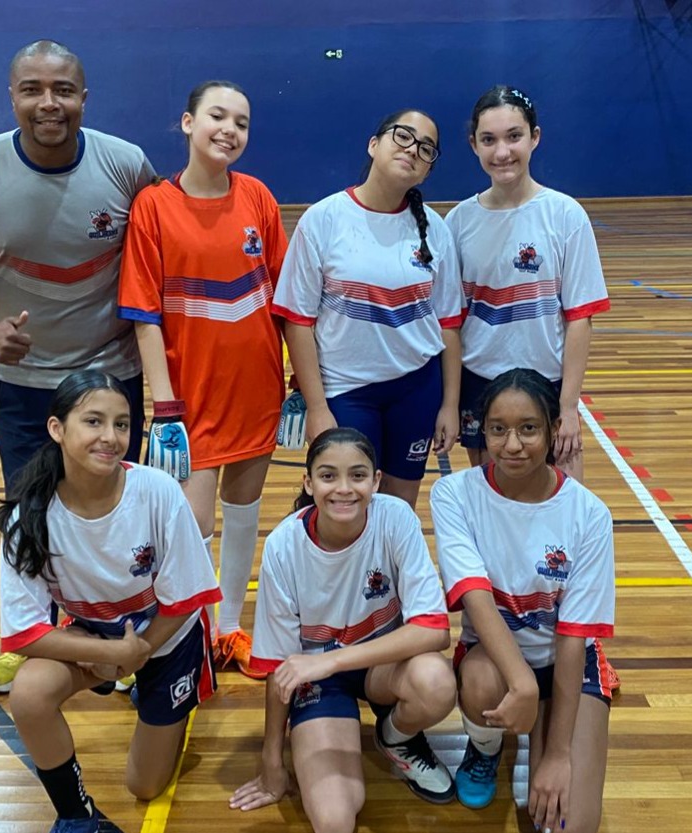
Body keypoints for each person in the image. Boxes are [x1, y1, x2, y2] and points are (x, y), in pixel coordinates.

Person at [0, 39, 156, 693]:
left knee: (111, 516)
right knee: (31, 515)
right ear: (12, 97)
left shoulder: (126, 165)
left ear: (84, 97)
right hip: (24, 387)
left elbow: (161, 259)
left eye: (62, 89)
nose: (48, 103)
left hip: (111, 378)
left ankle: (116, 639)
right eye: (32, 89)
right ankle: (32, 639)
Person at [0, 370, 221, 833]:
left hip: (167, 640)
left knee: (144, 787)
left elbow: (184, 601)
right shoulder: (28, 517)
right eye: (93, 421)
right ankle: (77, 816)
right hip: (97, 638)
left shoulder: (156, 491)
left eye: (121, 424)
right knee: (29, 692)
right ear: (58, 429)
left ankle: (169, 691)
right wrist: (108, 654)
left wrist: (136, 654)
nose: (110, 437)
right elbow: (24, 635)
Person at [118, 80, 287, 678]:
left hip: (257, 392)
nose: (229, 130)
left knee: (244, 510)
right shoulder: (154, 207)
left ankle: (229, 627)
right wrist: (165, 409)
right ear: (188, 122)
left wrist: (293, 384)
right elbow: (143, 317)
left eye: (241, 122)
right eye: (217, 116)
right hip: (187, 405)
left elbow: (282, 299)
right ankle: (176, 631)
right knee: (192, 525)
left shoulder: (258, 199)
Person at [230, 428, 457, 831]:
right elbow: (281, 670)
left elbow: (435, 631)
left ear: (376, 481)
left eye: (357, 475)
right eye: (328, 475)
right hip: (322, 684)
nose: (344, 489)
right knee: (335, 819)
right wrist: (271, 761)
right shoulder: (284, 547)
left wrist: (329, 660)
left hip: (381, 666)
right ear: (308, 482)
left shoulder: (395, 518)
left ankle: (395, 737)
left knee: (436, 681)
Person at [430, 368, 614, 832]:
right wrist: (524, 686)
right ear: (483, 431)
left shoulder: (589, 514)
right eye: (498, 430)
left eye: (528, 429)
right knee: (481, 684)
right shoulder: (455, 493)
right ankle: (486, 746)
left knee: (570, 825)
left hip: (567, 665)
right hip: (495, 664)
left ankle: (544, 734)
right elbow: (474, 597)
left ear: (554, 430)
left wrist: (555, 756)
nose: (512, 445)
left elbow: (573, 637)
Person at [271, 109, 464, 511]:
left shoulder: (436, 229)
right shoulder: (323, 220)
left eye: (426, 148)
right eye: (403, 137)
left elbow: (447, 324)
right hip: (346, 391)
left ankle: (384, 579)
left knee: (397, 509)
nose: (413, 150)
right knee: (342, 506)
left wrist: (448, 404)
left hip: (416, 389)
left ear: (427, 170)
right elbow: (298, 323)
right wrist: (319, 408)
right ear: (374, 144)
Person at [445, 85, 610, 483]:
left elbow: (579, 318)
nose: (502, 152)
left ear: (534, 137)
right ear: (474, 145)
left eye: (514, 136)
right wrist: (450, 404)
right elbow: (450, 324)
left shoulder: (566, 216)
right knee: (494, 511)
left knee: (563, 509)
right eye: (489, 139)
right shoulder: (458, 222)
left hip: (548, 386)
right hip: (480, 386)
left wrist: (568, 407)